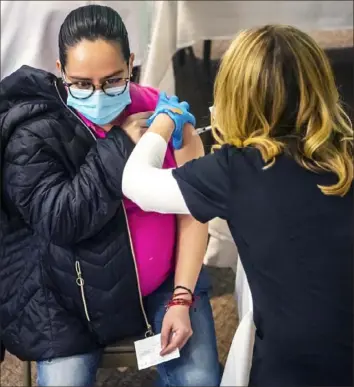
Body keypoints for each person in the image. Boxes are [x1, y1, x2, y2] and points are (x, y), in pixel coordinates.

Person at [0, 5, 221, 387]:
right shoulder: (35, 131)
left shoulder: (163, 112)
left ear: (132, 64)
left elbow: (194, 213)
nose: (98, 95)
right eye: (82, 83)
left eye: (114, 80)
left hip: (166, 282)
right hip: (71, 296)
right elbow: (60, 219)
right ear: (60, 70)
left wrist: (182, 298)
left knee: (200, 379)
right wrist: (122, 144)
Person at [122, 25, 354, 386]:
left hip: (291, 366)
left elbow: (134, 183)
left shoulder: (235, 169)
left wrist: (162, 125)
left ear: (233, 95)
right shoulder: (347, 154)